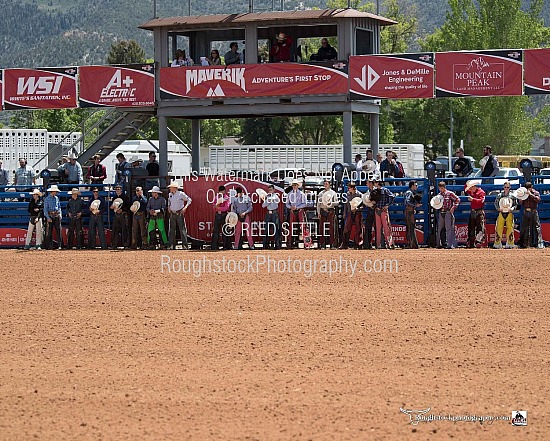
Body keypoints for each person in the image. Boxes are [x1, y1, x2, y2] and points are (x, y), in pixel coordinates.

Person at [167, 181, 192, 250]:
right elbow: (169, 201)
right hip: (173, 213)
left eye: (171, 187)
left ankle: (185, 245)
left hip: (179, 213)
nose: (170, 189)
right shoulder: (170, 194)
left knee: (182, 229)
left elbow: (189, 200)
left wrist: (185, 208)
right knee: (172, 230)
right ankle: (171, 245)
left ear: (175, 188)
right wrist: (169, 207)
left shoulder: (181, 194)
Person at [519, 182, 544, 249]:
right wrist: (521, 198)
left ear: (531, 187)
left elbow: (538, 199)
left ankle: (539, 243)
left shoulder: (535, 193)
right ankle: (524, 243)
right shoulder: (524, 193)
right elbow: (520, 202)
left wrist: (530, 194)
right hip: (526, 211)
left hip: (533, 211)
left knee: (537, 228)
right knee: (525, 228)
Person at [493, 181, 517, 249]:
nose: (506, 188)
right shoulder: (499, 195)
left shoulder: (512, 196)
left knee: (510, 228)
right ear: (503, 187)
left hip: (509, 213)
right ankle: (497, 243)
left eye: (508, 187)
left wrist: (512, 209)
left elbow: (515, 204)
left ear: (510, 187)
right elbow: (496, 203)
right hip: (501, 212)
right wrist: (498, 208)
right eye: (505, 187)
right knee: (499, 227)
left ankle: (510, 243)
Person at [436, 181, 460, 249]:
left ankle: (450, 244)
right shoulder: (439, 195)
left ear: (444, 187)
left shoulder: (450, 193)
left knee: (449, 228)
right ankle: (440, 244)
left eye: (441, 188)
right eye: (440, 188)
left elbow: (457, 199)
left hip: (447, 212)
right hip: (441, 212)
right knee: (440, 229)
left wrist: (453, 207)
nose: (441, 190)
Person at [285, 179, 307, 249]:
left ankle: (306, 242)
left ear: (297, 186)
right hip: (292, 211)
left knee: (303, 226)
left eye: (295, 185)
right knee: (290, 226)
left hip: (299, 210)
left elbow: (305, 204)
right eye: (293, 185)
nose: (294, 186)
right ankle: (290, 243)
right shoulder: (289, 194)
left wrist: (296, 207)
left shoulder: (302, 194)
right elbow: (287, 204)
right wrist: (291, 207)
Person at [373, 180, 395, 249]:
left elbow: (392, 197)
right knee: (384, 228)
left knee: (381, 228)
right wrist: (387, 205)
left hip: (380, 210)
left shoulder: (383, 190)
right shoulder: (382, 190)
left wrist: (387, 205)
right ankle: (387, 244)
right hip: (381, 210)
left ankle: (380, 244)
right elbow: (392, 197)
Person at [317, 179, 338, 249]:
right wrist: (318, 212)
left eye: (327, 184)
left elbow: (337, 202)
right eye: (324, 184)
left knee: (331, 228)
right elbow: (318, 204)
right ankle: (322, 244)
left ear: (329, 184)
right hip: (323, 210)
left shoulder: (333, 193)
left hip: (330, 210)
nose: (325, 185)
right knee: (321, 228)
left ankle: (332, 244)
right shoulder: (321, 193)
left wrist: (331, 203)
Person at [341, 182, 363, 249]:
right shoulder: (347, 194)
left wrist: (357, 209)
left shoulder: (359, 194)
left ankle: (357, 244)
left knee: (358, 228)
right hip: (350, 212)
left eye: (349, 188)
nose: (348, 189)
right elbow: (346, 204)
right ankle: (345, 244)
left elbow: (363, 205)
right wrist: (345, 213)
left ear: (353, 188)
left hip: (357, 212)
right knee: (347, 228)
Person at [465, 180, 486, 248]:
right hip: (473, 211)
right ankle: (471, 242)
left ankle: (478, 242)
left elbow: (481, 201)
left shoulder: (481, 192)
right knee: (471, 227)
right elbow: (465, 188)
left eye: (471, 188)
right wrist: (468, 183)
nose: (470, 189)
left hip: (479, 211)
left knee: (480, 227)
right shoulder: (472, 191)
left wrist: (473, 199)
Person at [211, 185, 232, 251]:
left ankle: (225, 246)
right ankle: (215, 246)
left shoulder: (226, 197)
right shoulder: (217, 197)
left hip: (223, 215)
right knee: (217, 231)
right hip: (219, 215)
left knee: (224, 231)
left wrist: (218, 208)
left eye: (222, 191)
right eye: (221, 191)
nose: (222, 192)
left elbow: (227, 207)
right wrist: (216, 208)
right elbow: (213, 206)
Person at [43, 184, 63, 250]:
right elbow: (45, 209)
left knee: (58, 230)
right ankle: (50, 246)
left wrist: (60, 214)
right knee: (50, 231)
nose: (56, 192)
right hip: (50, 216)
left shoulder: (56, 198)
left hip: (56, 215)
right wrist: (48, 217)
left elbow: (59, 207)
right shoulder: (47, 199)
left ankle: (59, 245)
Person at [261, 185, 281, 249]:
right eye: (269, 190)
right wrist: (267, 200)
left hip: (274, 213)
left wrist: (269, 199)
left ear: (274, 190)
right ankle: (265, 245)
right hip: (269, 213)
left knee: (276, 229)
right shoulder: (267, 197)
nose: (270, 191)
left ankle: (277, 245)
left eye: (271, 189)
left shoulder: (275, 196)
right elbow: (263, 205)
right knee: (266, 229)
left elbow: (278, 200)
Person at [110, 185, 130, 249]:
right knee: (115, 230)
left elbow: (128, 206)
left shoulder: (125, 197)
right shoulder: (114, 198)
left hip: (123, 214)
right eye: (116, 189)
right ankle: (114, 245)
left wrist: (122, 210)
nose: (117, 190)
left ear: (121, 190)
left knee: (124, 229)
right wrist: (112, 207)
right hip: (116, 214)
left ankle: (126, 244)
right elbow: (112, 206)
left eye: (119, 189)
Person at [404, 180, 421, 249]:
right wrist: (415, 205)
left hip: (409, 211)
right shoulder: (409, 193)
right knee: (411, 226)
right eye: (415, 185)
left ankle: (411, 243)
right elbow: (407, 202)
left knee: (410, 227)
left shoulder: (410, 192)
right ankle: (412, 244)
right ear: (412, 186)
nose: (416, 186)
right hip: (409, 211)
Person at [362, 179, 376, 249]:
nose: (367, 184)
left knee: (377, 227)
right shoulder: (368, 192)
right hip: (371, 209)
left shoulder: (375, 191)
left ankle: (377, 243)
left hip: (376, 209)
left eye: (368, 183)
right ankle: (367, 244)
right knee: (368, 227)